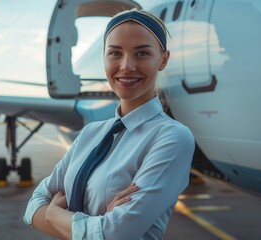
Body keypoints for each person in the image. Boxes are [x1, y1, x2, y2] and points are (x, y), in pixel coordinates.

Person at [24, 8, 195, 240]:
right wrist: (96, 225)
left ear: (163, 60)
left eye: (142, 53)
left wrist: (53, 213)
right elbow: (32, 208)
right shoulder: (90, 133)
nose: (126, 66)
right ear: (104, 57)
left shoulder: (172, 137)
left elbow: (113, 234)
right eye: (115, 53)